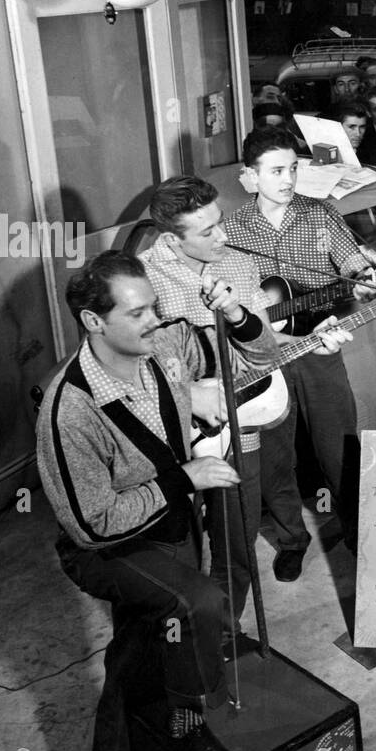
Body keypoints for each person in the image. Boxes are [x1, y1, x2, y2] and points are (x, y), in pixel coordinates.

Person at [36, 251, 284, 751]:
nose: (156, 320)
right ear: (95, 323)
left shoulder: (166, 348)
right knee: (193, 603)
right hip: (110, 549)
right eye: (139, 312)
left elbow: (260, 357)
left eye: (154, 306)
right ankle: (192, 722)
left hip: (172, 526)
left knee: (139, 650)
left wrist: (237, 313)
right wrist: (183, 479)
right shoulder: (68, 410)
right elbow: (90, 524)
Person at [137, 176, 284, 659]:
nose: (222, 236)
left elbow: (263, 358)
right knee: (175, 551)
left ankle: (223, 635)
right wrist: (186, 394)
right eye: (206, 232)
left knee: (236, 539)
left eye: (219, 222)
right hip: (167, 438)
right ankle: (177, 641)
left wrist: (240, 314)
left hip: (236, 426)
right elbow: (123, 370)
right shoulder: (140, 282)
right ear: (171, 238)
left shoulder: (238, 265)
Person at [222, 127, 376, 579]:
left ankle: (359, 535)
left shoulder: (320, 215)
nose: (288, 179)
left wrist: (368, 280)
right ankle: (292, 537)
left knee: (341, 449)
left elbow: (355, 269)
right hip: (262, 359)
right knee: (274, 457)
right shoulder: (230, 231)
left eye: (292, 168)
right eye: (275, 171)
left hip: (319, 348)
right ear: (249, 177)